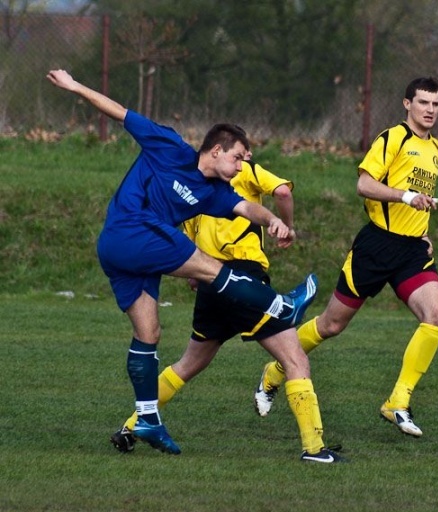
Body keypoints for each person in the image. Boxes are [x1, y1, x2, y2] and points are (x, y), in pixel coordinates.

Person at [46, 69, 316, 455]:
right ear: (217, 150)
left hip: (132, 255)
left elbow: (246, 208)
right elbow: (120, 113)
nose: (242, 167)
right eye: (239, 158)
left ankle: (147, 418)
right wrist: (74, 87)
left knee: (149, 333)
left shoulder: (214, 193)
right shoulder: (169, 145)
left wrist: (272, 219)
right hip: (130, 229)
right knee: (210, 267)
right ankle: (281, 306)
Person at [109, 153, 344, 463]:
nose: (245, 158)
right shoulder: (246, 172)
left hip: (210, 281)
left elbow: (188, 251)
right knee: (295, 359)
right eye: (241, 152)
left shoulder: (194, 186)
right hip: (244, 280)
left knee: (187, 365)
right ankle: (314, 449)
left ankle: (131, 426)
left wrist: (197, 274)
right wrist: (288, 226)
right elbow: (283, 192)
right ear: (227, 150)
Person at [254, 77, 438, 437]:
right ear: (407, 104)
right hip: (376, 246)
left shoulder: (435, 147)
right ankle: (275, 371)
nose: (430, 110)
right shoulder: (393, 138)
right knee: (331, 325)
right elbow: (364, 185)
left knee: (436, 315)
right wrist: (406, 197)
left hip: (412, 251)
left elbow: (419, 199)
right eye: (423, 102)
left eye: (435, 104)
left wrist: (422, 230)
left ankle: (398, 402)